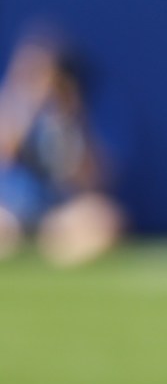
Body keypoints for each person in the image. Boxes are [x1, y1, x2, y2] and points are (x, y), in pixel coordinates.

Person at [0, 30, 122, 267]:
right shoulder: (11, 109)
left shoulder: (75, 116)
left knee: (104, 218)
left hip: (56, 211)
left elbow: (93, 180)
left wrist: (70, 117)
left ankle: (52, 247)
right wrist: (24, 109)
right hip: (12, 206)